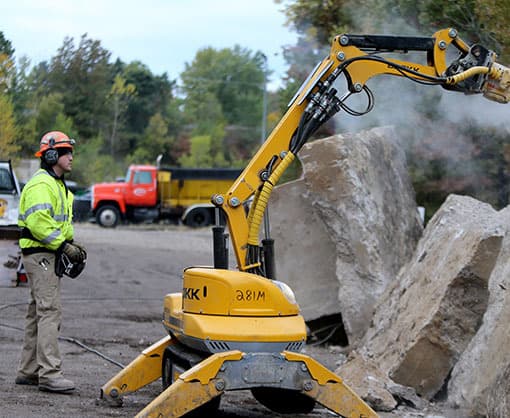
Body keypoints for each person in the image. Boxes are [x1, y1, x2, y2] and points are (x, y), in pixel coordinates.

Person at [15, 131, 86, 393]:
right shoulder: (42, 185)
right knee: (49, 311)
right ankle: (50, 374)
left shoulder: (56, 184)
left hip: (44, 253)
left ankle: (29, 370)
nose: (71, 157)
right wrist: (63, 245)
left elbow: (58, 223)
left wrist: (71, 243)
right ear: (52, 155)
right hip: (41, 254)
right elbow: (39, 222)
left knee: (37, 312)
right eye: (67, 152)